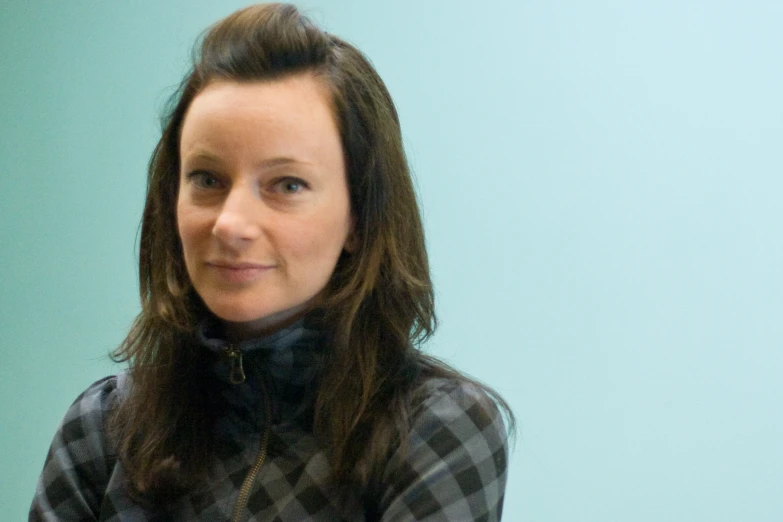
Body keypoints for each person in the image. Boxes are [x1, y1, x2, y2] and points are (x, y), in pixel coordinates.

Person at [30, 3, 514, 520]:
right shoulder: (102, 427)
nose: (230, 224)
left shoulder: (436, 430)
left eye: (287, 184)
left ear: (359, 216)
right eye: (207, 179)